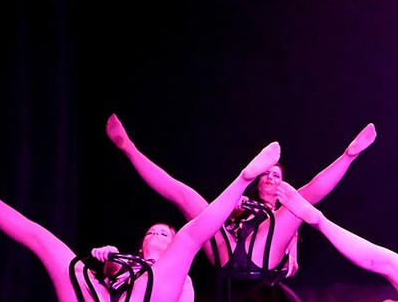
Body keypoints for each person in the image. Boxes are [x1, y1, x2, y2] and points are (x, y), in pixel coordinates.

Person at [0, 141, 282, 302]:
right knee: (41, 237)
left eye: (164, 232)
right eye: (152, 232)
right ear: (142, 241)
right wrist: (107, 260)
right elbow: (105, 278)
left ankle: (242, 178)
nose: (157, 235)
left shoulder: (179, 278)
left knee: (192, 235)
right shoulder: (128, 260)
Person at [106, 114, 376, 275]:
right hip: (226, 248)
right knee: (185, 195)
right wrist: (234, 208)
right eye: (266, 174)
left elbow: (292, 263)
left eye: (275, 175)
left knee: (302, 199)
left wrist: (289, 262)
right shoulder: (245, 205)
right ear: (259, 183)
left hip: (264, 253)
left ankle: (348, 156)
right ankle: (128, 147)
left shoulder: (286, 215)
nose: (270, 178)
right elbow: (218, 226)